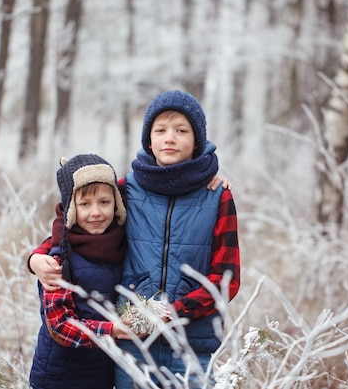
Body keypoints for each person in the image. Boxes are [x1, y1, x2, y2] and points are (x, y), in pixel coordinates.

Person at [29, 90, 241, 388]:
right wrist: (37, 258)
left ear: (198, 140)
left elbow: (226, 279)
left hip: (191, 346)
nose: (170, 138)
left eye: (182, 130)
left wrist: (171, 313)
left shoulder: (217, 196)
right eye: (160, 130)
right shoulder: (128, 190)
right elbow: (76, 227)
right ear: (148, 139)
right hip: (133, 344)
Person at [28, 154, 131, 389]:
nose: (96, 212)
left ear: (116, 203)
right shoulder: (59, 259)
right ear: (72, 209)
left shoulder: (119, 244)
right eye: (85, 204)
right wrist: (112, 330)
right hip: (59, 378)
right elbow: (60, 325)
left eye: (104, 202)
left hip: (101, 376)